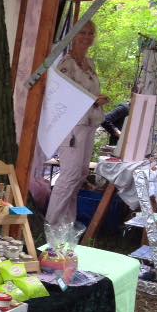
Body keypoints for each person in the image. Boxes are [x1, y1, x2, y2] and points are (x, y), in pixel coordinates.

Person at [45, 21, 110, 225]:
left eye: (91, 33)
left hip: (89, 123)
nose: (87, 36)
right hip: (72, 125)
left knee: (80, 175)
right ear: (73, 35)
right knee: (70, 175)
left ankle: (67, 225)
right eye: (82, 32)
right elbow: (62, 97)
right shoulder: (67, 63)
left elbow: (88, 92)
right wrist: (93, 100)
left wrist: (97, 100)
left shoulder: (89, 63)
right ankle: (51, 224)